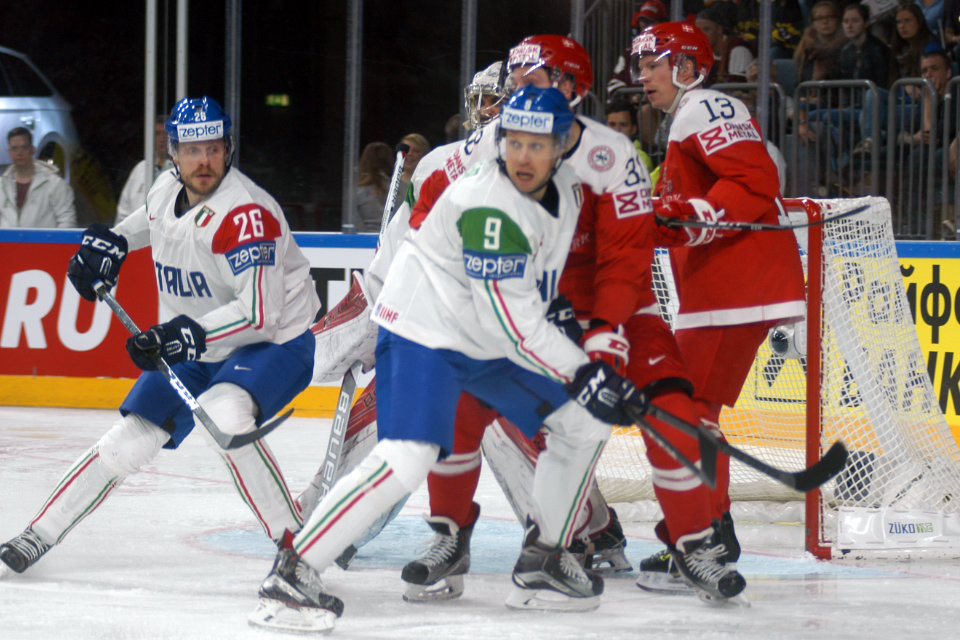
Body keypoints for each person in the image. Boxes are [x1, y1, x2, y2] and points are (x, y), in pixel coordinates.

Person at [248, 86, 636, 633]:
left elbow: (530, 295)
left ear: (564, 145)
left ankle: (545, 559)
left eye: (537, 144)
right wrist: (584, 370)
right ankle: (296, 570)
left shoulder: (568, 192)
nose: (523, 156)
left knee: (581, 421)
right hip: (423, 333)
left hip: (481, 336)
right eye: (514, 142)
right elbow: (513, 322)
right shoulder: (489, 202)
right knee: (408, 455)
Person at [401, 33, 743, 606]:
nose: (515, 91)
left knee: (674, 415)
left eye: (529, 81)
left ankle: (694, 547)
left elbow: (622, 261)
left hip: (617, 314)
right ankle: (450, 538)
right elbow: (428, 216)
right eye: (515, 81)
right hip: (523, 316)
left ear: (570, 88)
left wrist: (605, 339)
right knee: (457, 410)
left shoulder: (614, 161)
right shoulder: (489, 145)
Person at [0, 96, 320, 577]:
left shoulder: (246, 214)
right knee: (128, 439)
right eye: (192, 149)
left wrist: (179, 335)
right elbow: (144, 224)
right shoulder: (166, 186)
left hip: (275, 342)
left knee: (224, 416)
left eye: (213, 148)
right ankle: (39, 533)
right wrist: (109, 247)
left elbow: (261, 315)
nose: (204, 160)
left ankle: (296, 546)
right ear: (173, 153)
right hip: (199, 339)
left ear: (228, 148)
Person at [629, 21, 806, 594]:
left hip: (736, 286)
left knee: (679, 411)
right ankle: (713, 534)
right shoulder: (690, 114)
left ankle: (703, 538)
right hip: (732, 286)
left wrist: (700, 216)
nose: (642, 76)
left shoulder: (703, 105)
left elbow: (757, 179)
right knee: (696, 410)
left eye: (653, 64)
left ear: (685, 67)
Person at [0, 126, 77, 228]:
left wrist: (53, 243)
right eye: (15, 148)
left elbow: (67, 221)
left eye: (24, 147)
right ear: (9, 152)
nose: (19, 153)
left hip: (45, 244)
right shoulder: (2, 185)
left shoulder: (55, 184)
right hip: (8, 244)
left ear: (32, 150)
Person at [115, 116, 173, 223]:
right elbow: (123, 213)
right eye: (157, 133)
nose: (162, 138)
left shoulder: (182, 169)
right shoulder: (140, 169)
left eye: (166, 133)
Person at [694, 3, 755, 85]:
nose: (701, 35)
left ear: (719, 29)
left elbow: (738, 87)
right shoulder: (701, 52)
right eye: (698, 30)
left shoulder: (738, 49)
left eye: (706, 29)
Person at [349, 141, 394, 233]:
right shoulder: (403, 189)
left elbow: (355, 224)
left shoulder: (356, 191)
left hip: (365, 242)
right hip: (392, 241)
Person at [393, 132, 430, 214]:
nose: (409, 154)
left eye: (415, 151)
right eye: (406, 150)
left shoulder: (429, 183)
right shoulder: (392, 183)